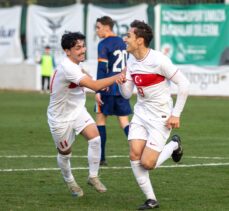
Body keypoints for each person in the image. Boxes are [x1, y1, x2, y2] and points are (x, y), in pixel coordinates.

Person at [118, 20, 190, 210]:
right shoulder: (131, 60)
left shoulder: (159, 60)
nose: (125, 39)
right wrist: (121, 81)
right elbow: (126, 94)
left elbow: (184, 84)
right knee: (134, 154)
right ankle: (151, 199)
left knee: (148, 163)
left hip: (161, 116)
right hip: (141, 113)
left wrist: (176, 114)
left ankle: (174, 144)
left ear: (140, 40)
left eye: (129, 36)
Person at [47, 32, 126, 197]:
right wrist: (118, 76)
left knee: (95, 138)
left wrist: (96, 86)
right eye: (78, 48)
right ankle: (70, 181)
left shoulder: (74, 64)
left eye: (83, 46)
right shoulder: (68, 68)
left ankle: (93, 176)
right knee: (65, 153)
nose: (83, 50)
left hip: (77, 110)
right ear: (67, 51)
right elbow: (95, 84)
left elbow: (86, 75)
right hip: (60, 118)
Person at [95, 16, 132, 165]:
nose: (97, 31)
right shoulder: (124, 42)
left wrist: (97, 89)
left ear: (106, 27)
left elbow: (102, 68)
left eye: (98, 27)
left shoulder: (104, 43)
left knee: (100, 119)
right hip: (122, 86)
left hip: (108, 87)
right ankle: (139, 150)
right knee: (124, 121)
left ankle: (101, 157)